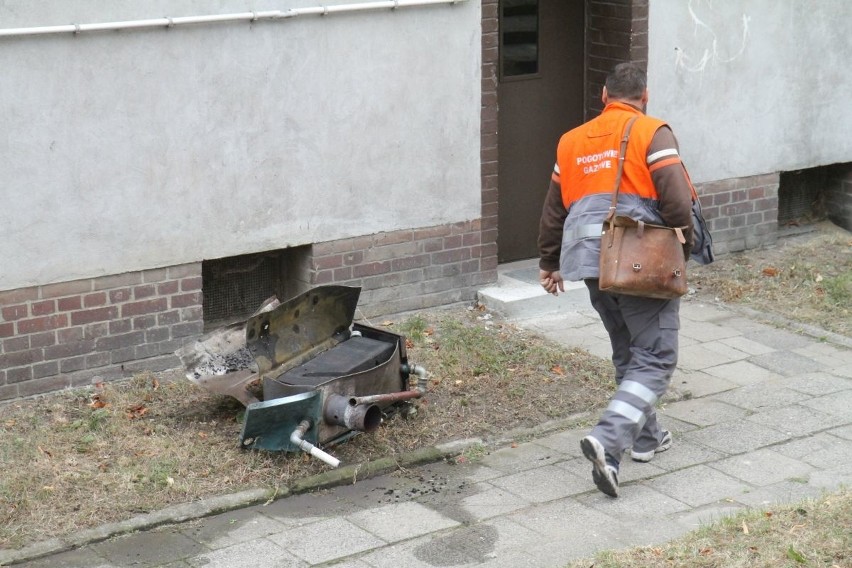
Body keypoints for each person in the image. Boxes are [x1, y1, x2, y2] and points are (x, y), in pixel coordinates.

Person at [537, 62, 713, 498]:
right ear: (645, 96)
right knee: (655, 357)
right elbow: (675, 200)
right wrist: (679, 251)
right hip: (636, 260)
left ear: (603, 96)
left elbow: (554, 208)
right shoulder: (652, 132)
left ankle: (644, 440)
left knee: (629, 349)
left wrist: (548, 261)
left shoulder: (570, 142)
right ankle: (610, 437)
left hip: (589, 262)